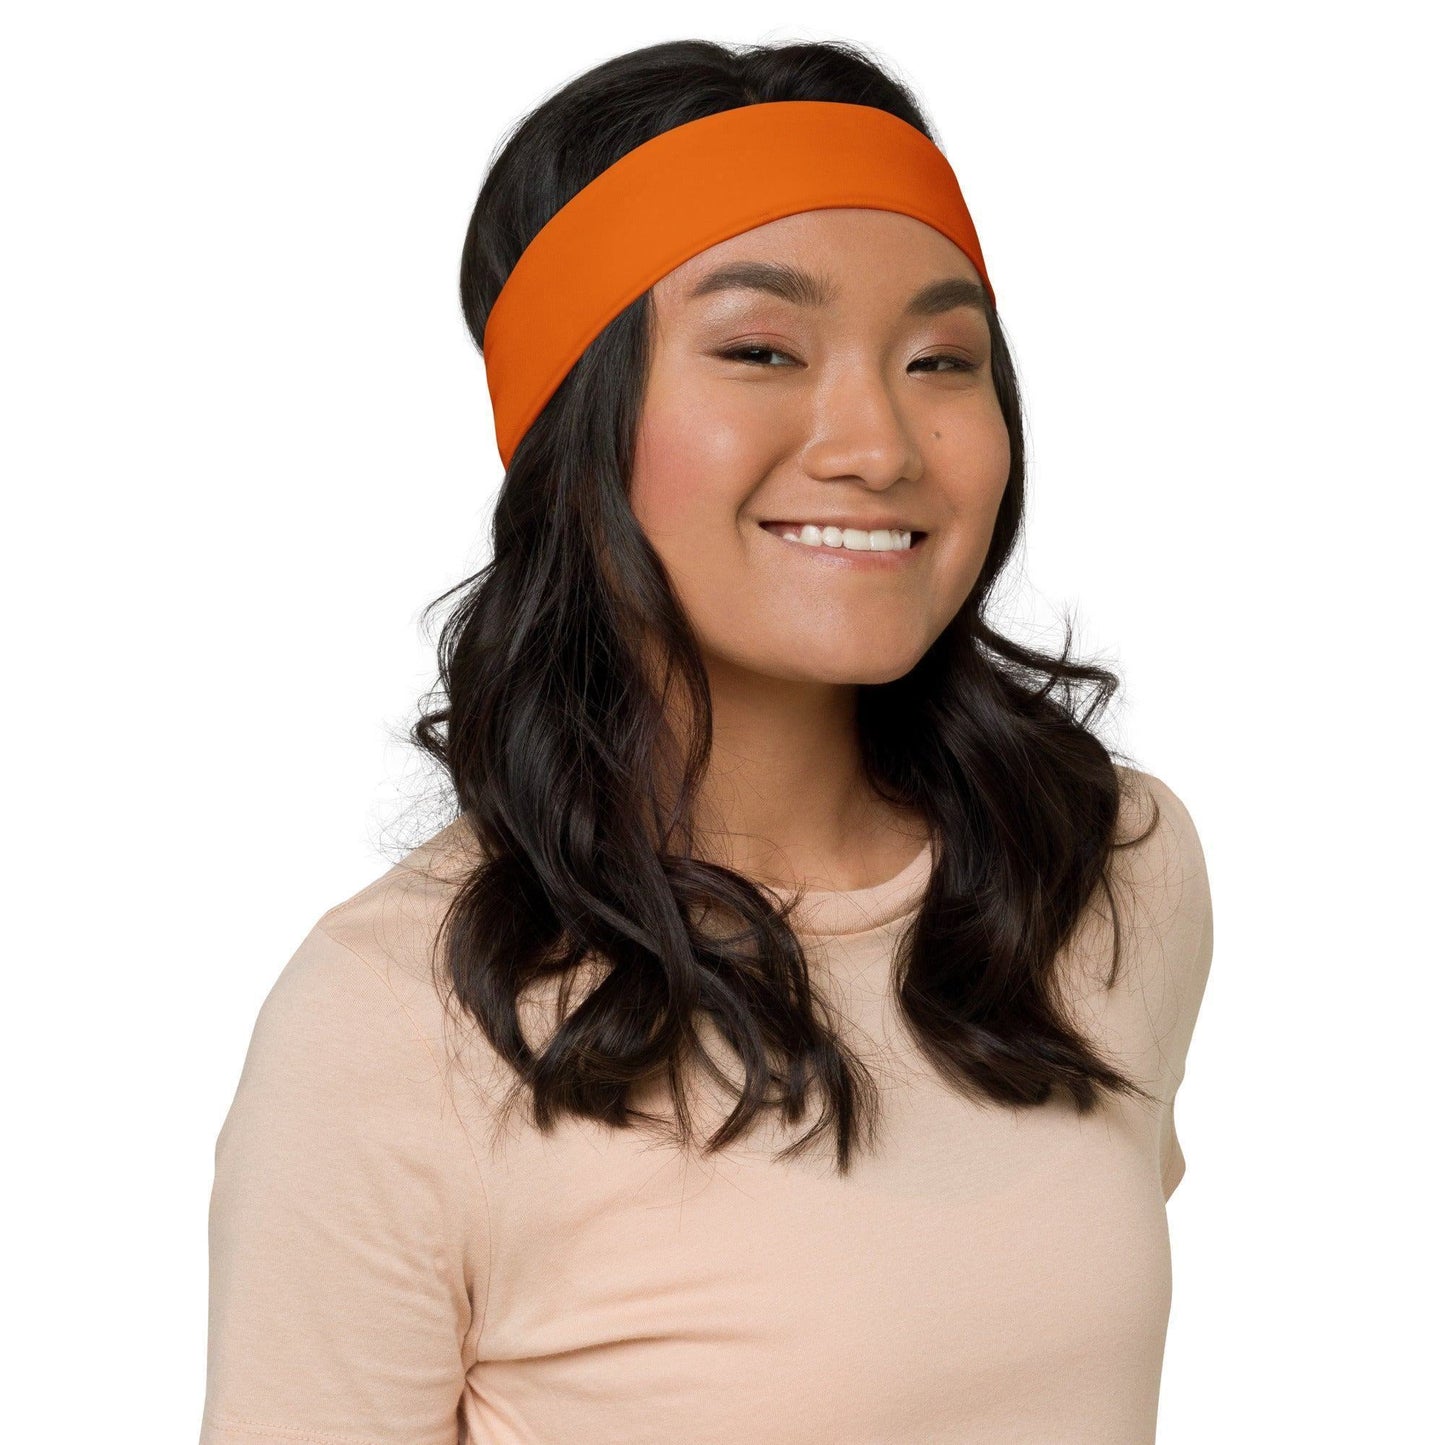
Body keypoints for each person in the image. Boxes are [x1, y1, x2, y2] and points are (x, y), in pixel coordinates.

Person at [200, 37, 1213, 1445]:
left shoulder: (1104, 868)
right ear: (574, 428)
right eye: (759, 352)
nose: (877, 444)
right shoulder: (394, 1020)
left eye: (940, 359)